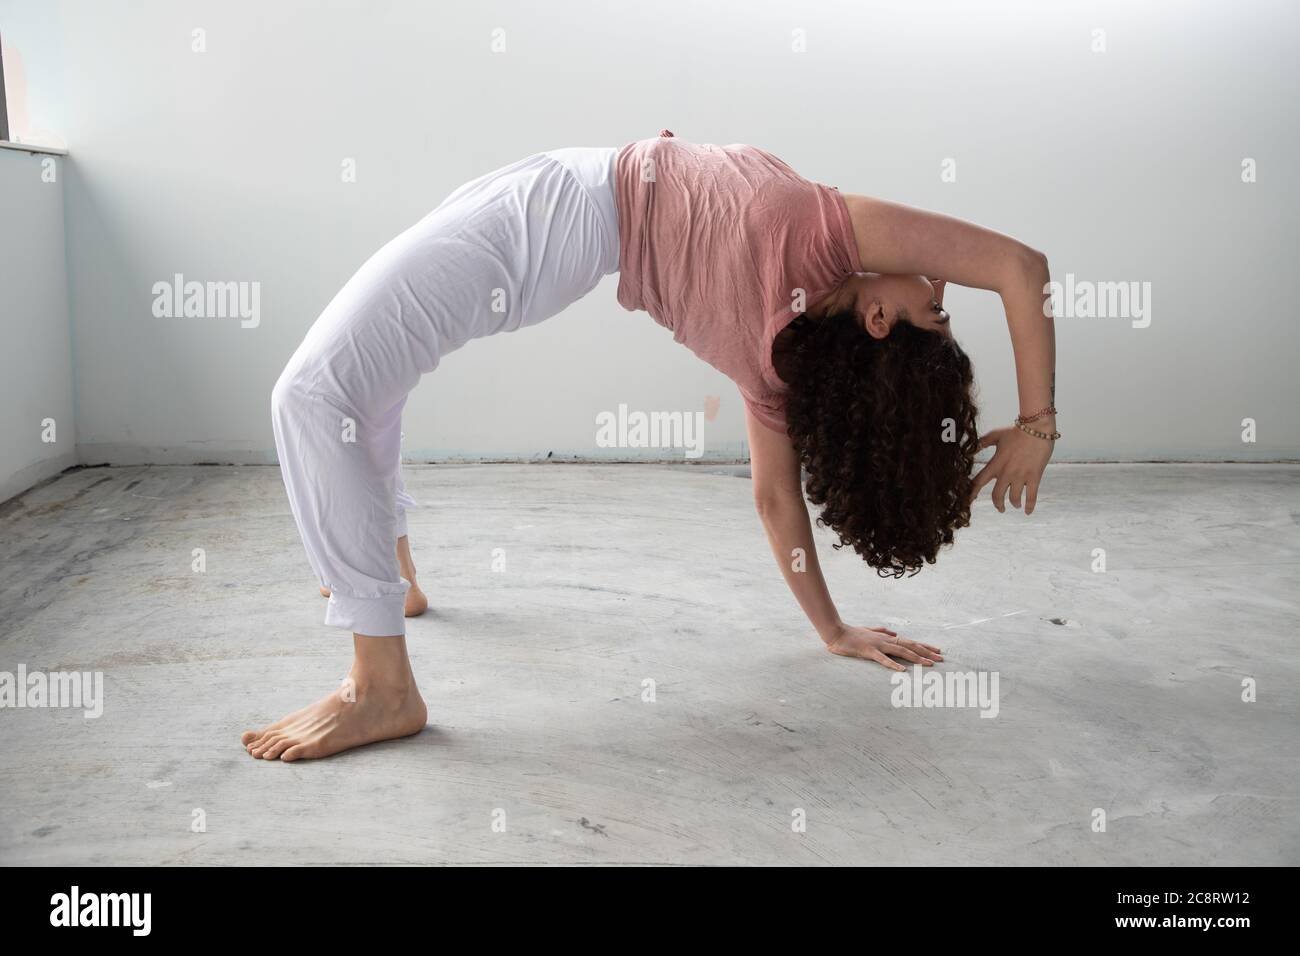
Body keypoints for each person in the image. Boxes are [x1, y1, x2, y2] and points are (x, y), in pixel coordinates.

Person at [243, 131, 1056, 762]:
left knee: (315, 394)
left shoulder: (825, 240)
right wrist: (833, 631)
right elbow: (776, 501)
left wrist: (1037, 426)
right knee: (368, 379)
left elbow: (1019, 264)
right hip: (563, 209)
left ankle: (382, 686)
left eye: (936, 314)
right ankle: (395, 577)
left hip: (559, 216)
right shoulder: (777, 363)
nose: (942, 289)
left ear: (881, 321)